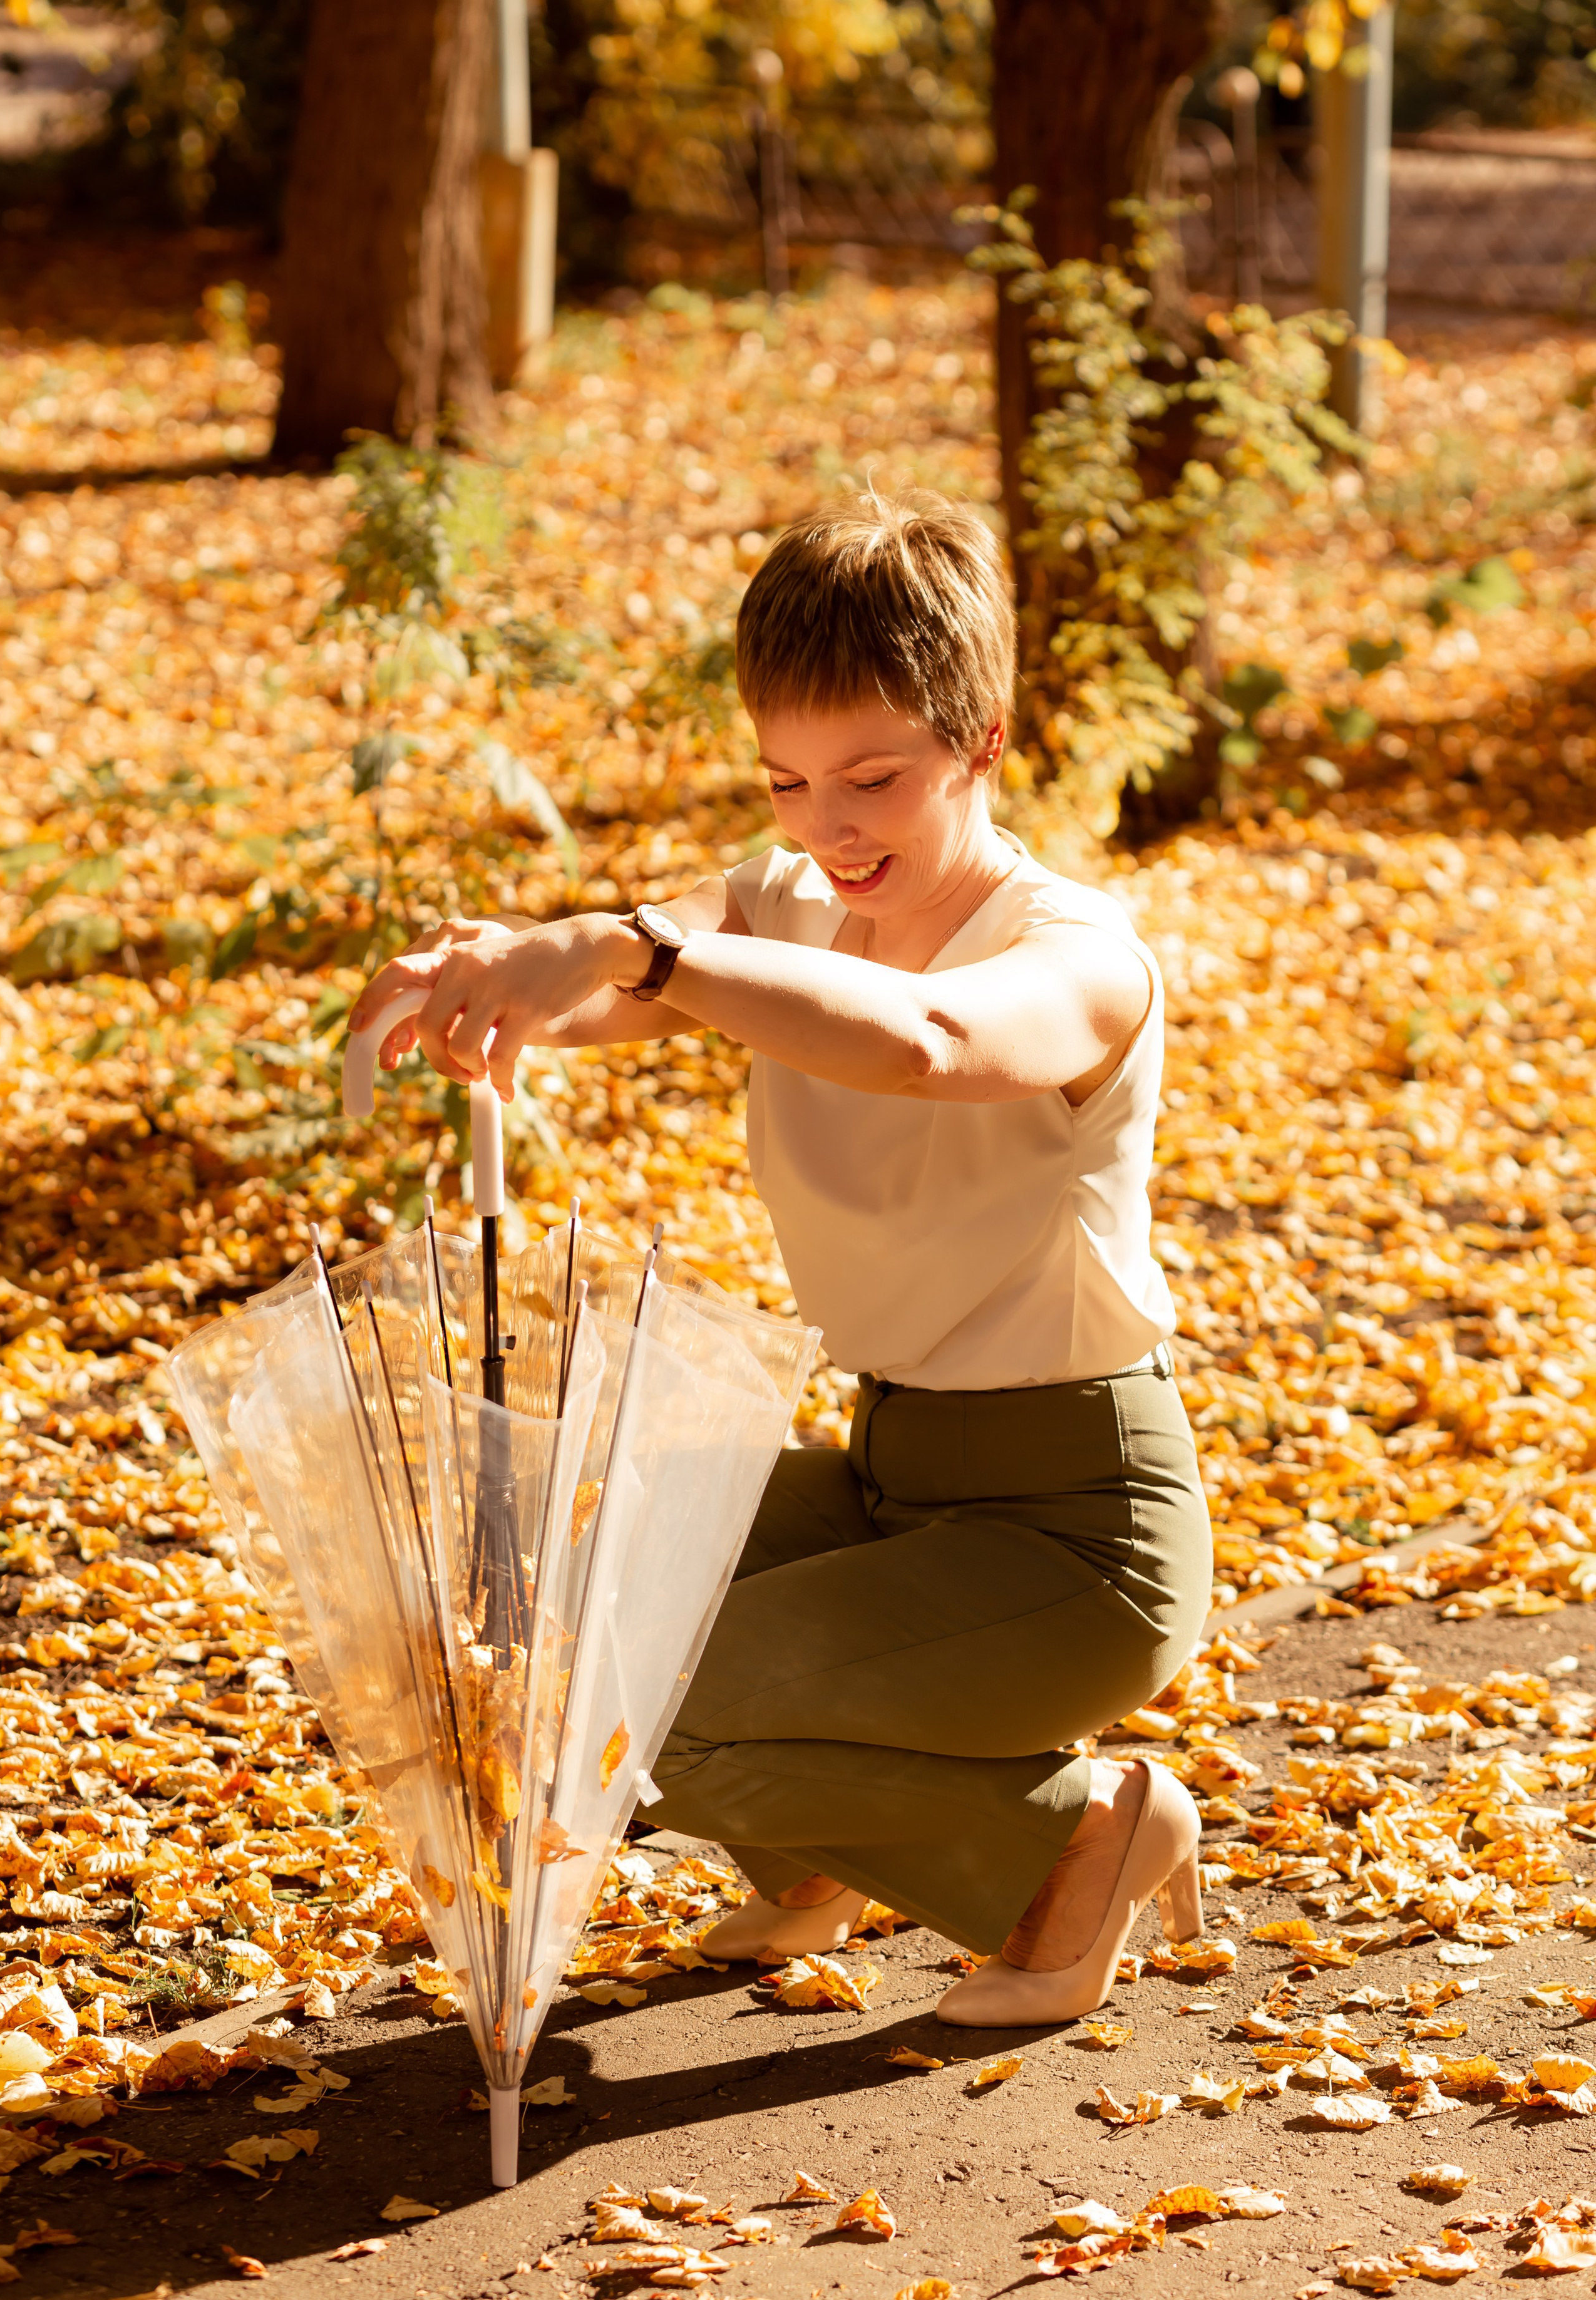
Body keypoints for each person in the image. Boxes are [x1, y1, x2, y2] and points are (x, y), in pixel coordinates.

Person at [349, 486, 1213, 2026]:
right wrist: (500, 967)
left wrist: (638, 950)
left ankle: (1076, 1844)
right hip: (894, 1476)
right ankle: (818, 1854)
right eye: (786, 780)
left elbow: (928, 1045)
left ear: (985, 740)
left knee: (649, 1714)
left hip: (1078, 1530)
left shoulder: (1077, 957)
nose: (826, 826)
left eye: (872, 778)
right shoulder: (782, 903)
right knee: (568, 1604)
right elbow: (621, 976)